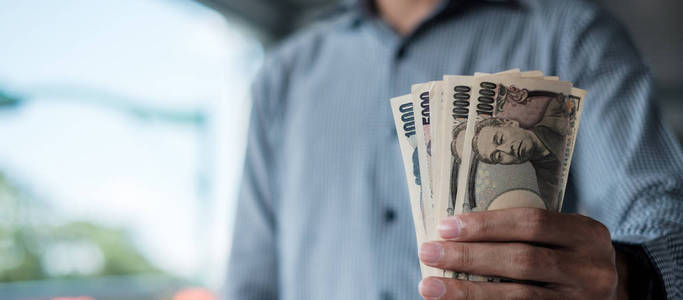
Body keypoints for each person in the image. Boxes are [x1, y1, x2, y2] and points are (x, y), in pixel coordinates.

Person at [226, 0, 683, 299]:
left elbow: (660, 218)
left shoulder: (572, 34)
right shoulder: (284, 76)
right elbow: (253, 281)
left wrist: (628, 276)